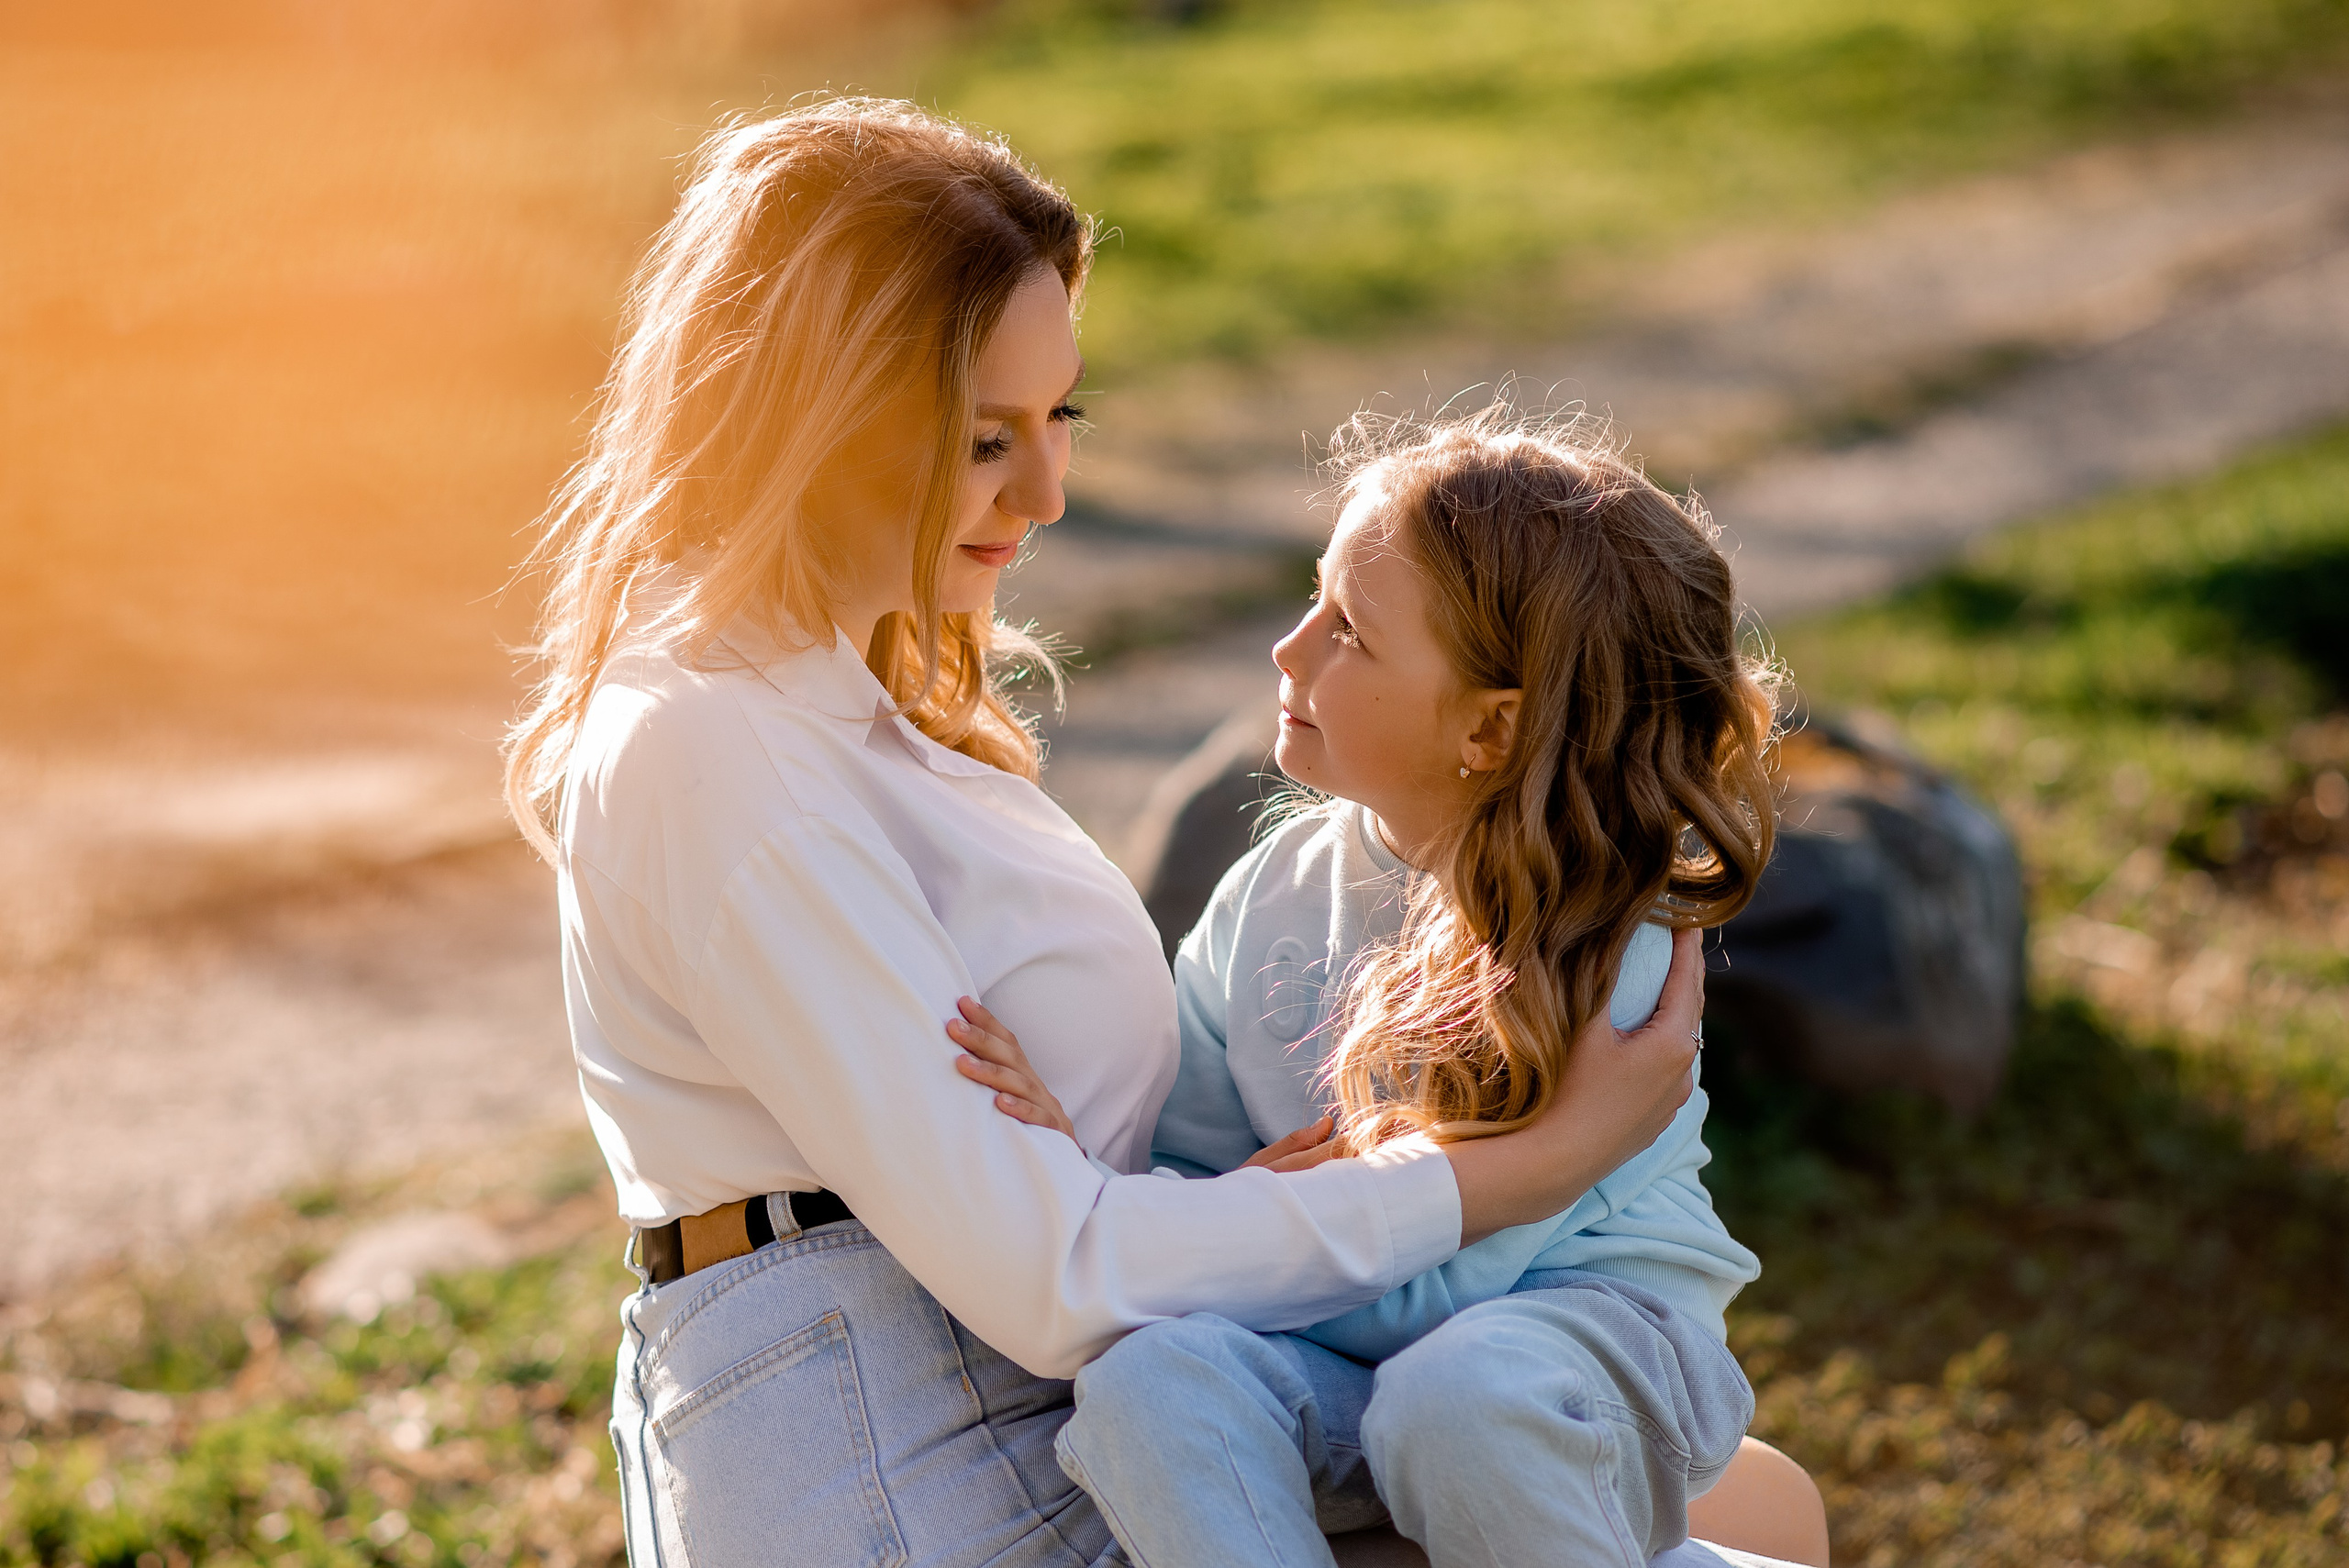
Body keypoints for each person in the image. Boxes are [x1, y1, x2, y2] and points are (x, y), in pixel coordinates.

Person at [505, 97, 1733, 1568]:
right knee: (1720, 1522)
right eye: (982, 440)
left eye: (1059, 416)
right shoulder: (716, 744)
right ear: (816, 422)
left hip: (1032, 1384)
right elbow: (1054, 1268)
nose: (1048, 493)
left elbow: (1045, 1205)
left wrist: (1102, 1154)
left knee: (1732, 1495)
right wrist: (1499, 1174)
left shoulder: (837, 703)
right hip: (903, 1429)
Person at [953, 411, 1831, 1568]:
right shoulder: (1273, 882)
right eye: (1314, 601)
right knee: (1149, 1378)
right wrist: (1099, 1162)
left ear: (1490, 724)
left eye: (1349, 633)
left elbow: (1437, 1283)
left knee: (1456, 1393)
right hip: (1352, 1361)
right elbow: (1185, 1170)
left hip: (1585, 1362)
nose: (1290, 649)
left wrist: (1247, 1235)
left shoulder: (1603, 934)